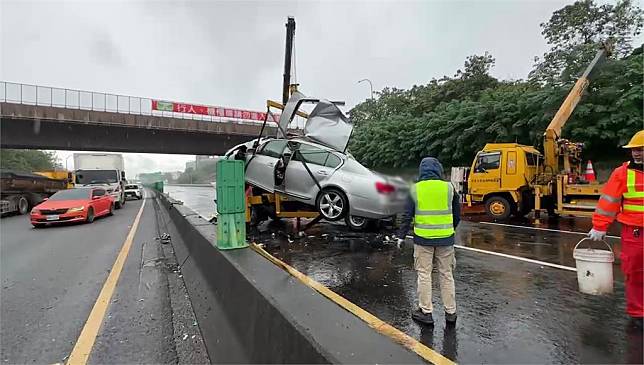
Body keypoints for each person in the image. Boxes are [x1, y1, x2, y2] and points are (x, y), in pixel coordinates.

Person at [588, 130, 644, 330]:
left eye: (641, 149)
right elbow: (608, 202)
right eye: (634, 150)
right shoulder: (622, 173)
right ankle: (638, 314)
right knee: (635, 272)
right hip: (635, 232)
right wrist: (599, 226)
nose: (636, 153)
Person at [396, 157, 461, 326]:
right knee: (446, 274)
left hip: (423, 240)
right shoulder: (449, 188)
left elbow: (407, 216)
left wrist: (401, 236)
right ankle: (451, 313)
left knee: (424, 274)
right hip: (446, 240)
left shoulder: (415, 189)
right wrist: (449, 230)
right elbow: (457, 215)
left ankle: (426, 312)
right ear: (438, 170)